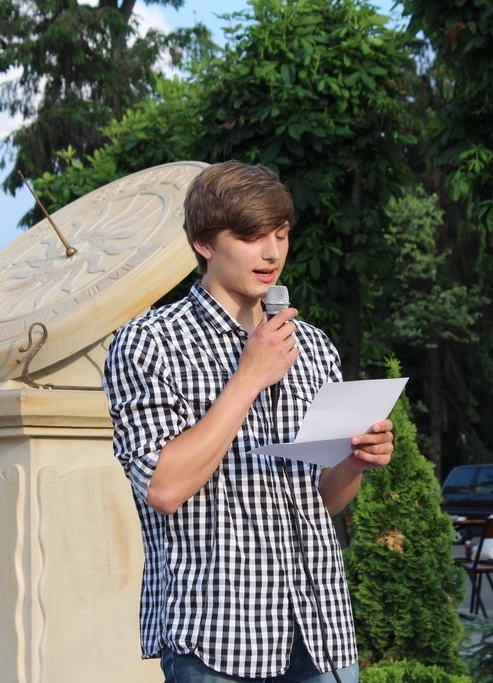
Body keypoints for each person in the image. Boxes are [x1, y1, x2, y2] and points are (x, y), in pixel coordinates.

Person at [103, 160, 395, 682]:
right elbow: (164, 488)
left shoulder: (313, 347)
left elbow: (322, 499)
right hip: (218, 637)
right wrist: (247, 378)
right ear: (204, 243)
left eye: (280, 234)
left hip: (320, 632)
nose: (272, 253)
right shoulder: (149, 343)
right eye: (250, 236)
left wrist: (354, 462)